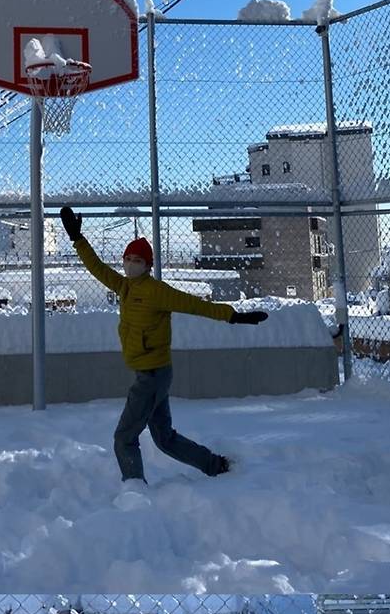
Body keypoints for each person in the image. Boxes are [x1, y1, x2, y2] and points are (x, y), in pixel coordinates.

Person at [60, 205, 267, 485]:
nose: (130, 263)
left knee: (124, 437)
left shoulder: (157, 292)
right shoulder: (125, 287)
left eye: (137, 260)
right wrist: (77, 239)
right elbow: (96, 268)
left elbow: (193, 304)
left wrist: (233, 315)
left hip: (152, 376)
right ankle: (215, 465)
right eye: (128, 258)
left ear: (148, 265)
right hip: (151, 373)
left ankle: (134, 490)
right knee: (164, 438)